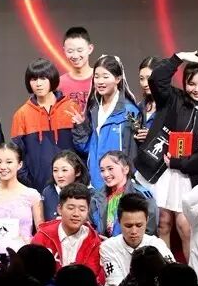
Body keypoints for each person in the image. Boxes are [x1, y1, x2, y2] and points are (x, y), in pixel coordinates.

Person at [135, 51, 198, 259]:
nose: (197, 89)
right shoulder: (173, 98)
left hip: (189, 173)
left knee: (185, 226)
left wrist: (180, 163)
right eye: (192, 83)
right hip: (161, 170)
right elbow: (157, 78)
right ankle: (166, 269)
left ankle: (192, 272)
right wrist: (178, 57)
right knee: (163, 222)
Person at [71, 54, 142, 189]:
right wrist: (80, 127)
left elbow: (133, 152)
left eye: (105, 76)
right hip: (96, 180)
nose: (100, 81)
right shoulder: (93, 109)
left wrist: (128, 183)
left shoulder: (129, 112)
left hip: (119, 183)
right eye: (96, 77)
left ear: (118, 79)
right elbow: (87, 148)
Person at [11, 57, 78, 192]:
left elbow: (82, 147)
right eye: (33, 79)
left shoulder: (72, 108)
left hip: (72, 188)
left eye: (43, 78)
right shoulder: (21, 114)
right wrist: (29, 183)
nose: (38, 84)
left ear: (52, 79)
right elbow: (17, 154)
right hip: (37, 189)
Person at [31, 182, 104, 284]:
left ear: (88, 211)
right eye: (70, 208)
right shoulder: (42, 236)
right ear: (59, 209)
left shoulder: (94, 242)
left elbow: (93, 278)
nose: (76, 214)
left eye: (82, 209)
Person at [99, 193, 173, 286]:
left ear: (147, 220)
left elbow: (173, 275)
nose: (134, 231)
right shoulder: (108, 247)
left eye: (139, 225)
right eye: (128, 226)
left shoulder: (157, 244)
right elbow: (116, 284)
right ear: (119, 221)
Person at [0, 142, 42, 253]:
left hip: (25, 253)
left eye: (9, 162)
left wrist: (28, 243)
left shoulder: (32, 195)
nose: (3, 167)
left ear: (19, 164)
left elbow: (41, 232)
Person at [91, 150, 158, 238]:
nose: (106, 174)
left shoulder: (141, 196)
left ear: (126, 169)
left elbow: (149, 231)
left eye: (110, 169)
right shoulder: (96, 197)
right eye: (102, 170)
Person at [42, 150, 90, 222]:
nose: (59, 175)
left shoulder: (89, 193)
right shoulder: (48, 192)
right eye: (55, 170)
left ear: (78, 171)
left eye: (64, 170)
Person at [59, 26, 95, 113]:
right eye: (70, 51)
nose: (75, 56)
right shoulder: (59, 84)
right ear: (64, 51)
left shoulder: (102, 80)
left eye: (80, 50)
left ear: (90, 49)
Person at [135, 56, 163, 135]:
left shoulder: (171, 107)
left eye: (149, 78)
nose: (145, 84)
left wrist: (152, 135)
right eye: (141, 78)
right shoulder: (139, 107)